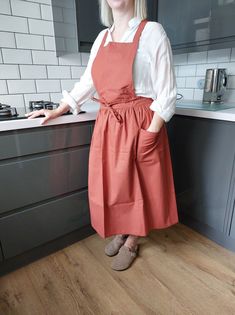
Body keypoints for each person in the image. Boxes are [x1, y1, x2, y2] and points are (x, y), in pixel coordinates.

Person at [25, 0, 179, 271]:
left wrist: (150, 133)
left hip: (139, 120)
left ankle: (133, 238)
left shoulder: (152, 31)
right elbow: (88, 82)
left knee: (139, 183)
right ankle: (122, 229)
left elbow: (166, 92)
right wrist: (58, 109)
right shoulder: (102, 38)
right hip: (109, 122)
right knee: (116, 183)